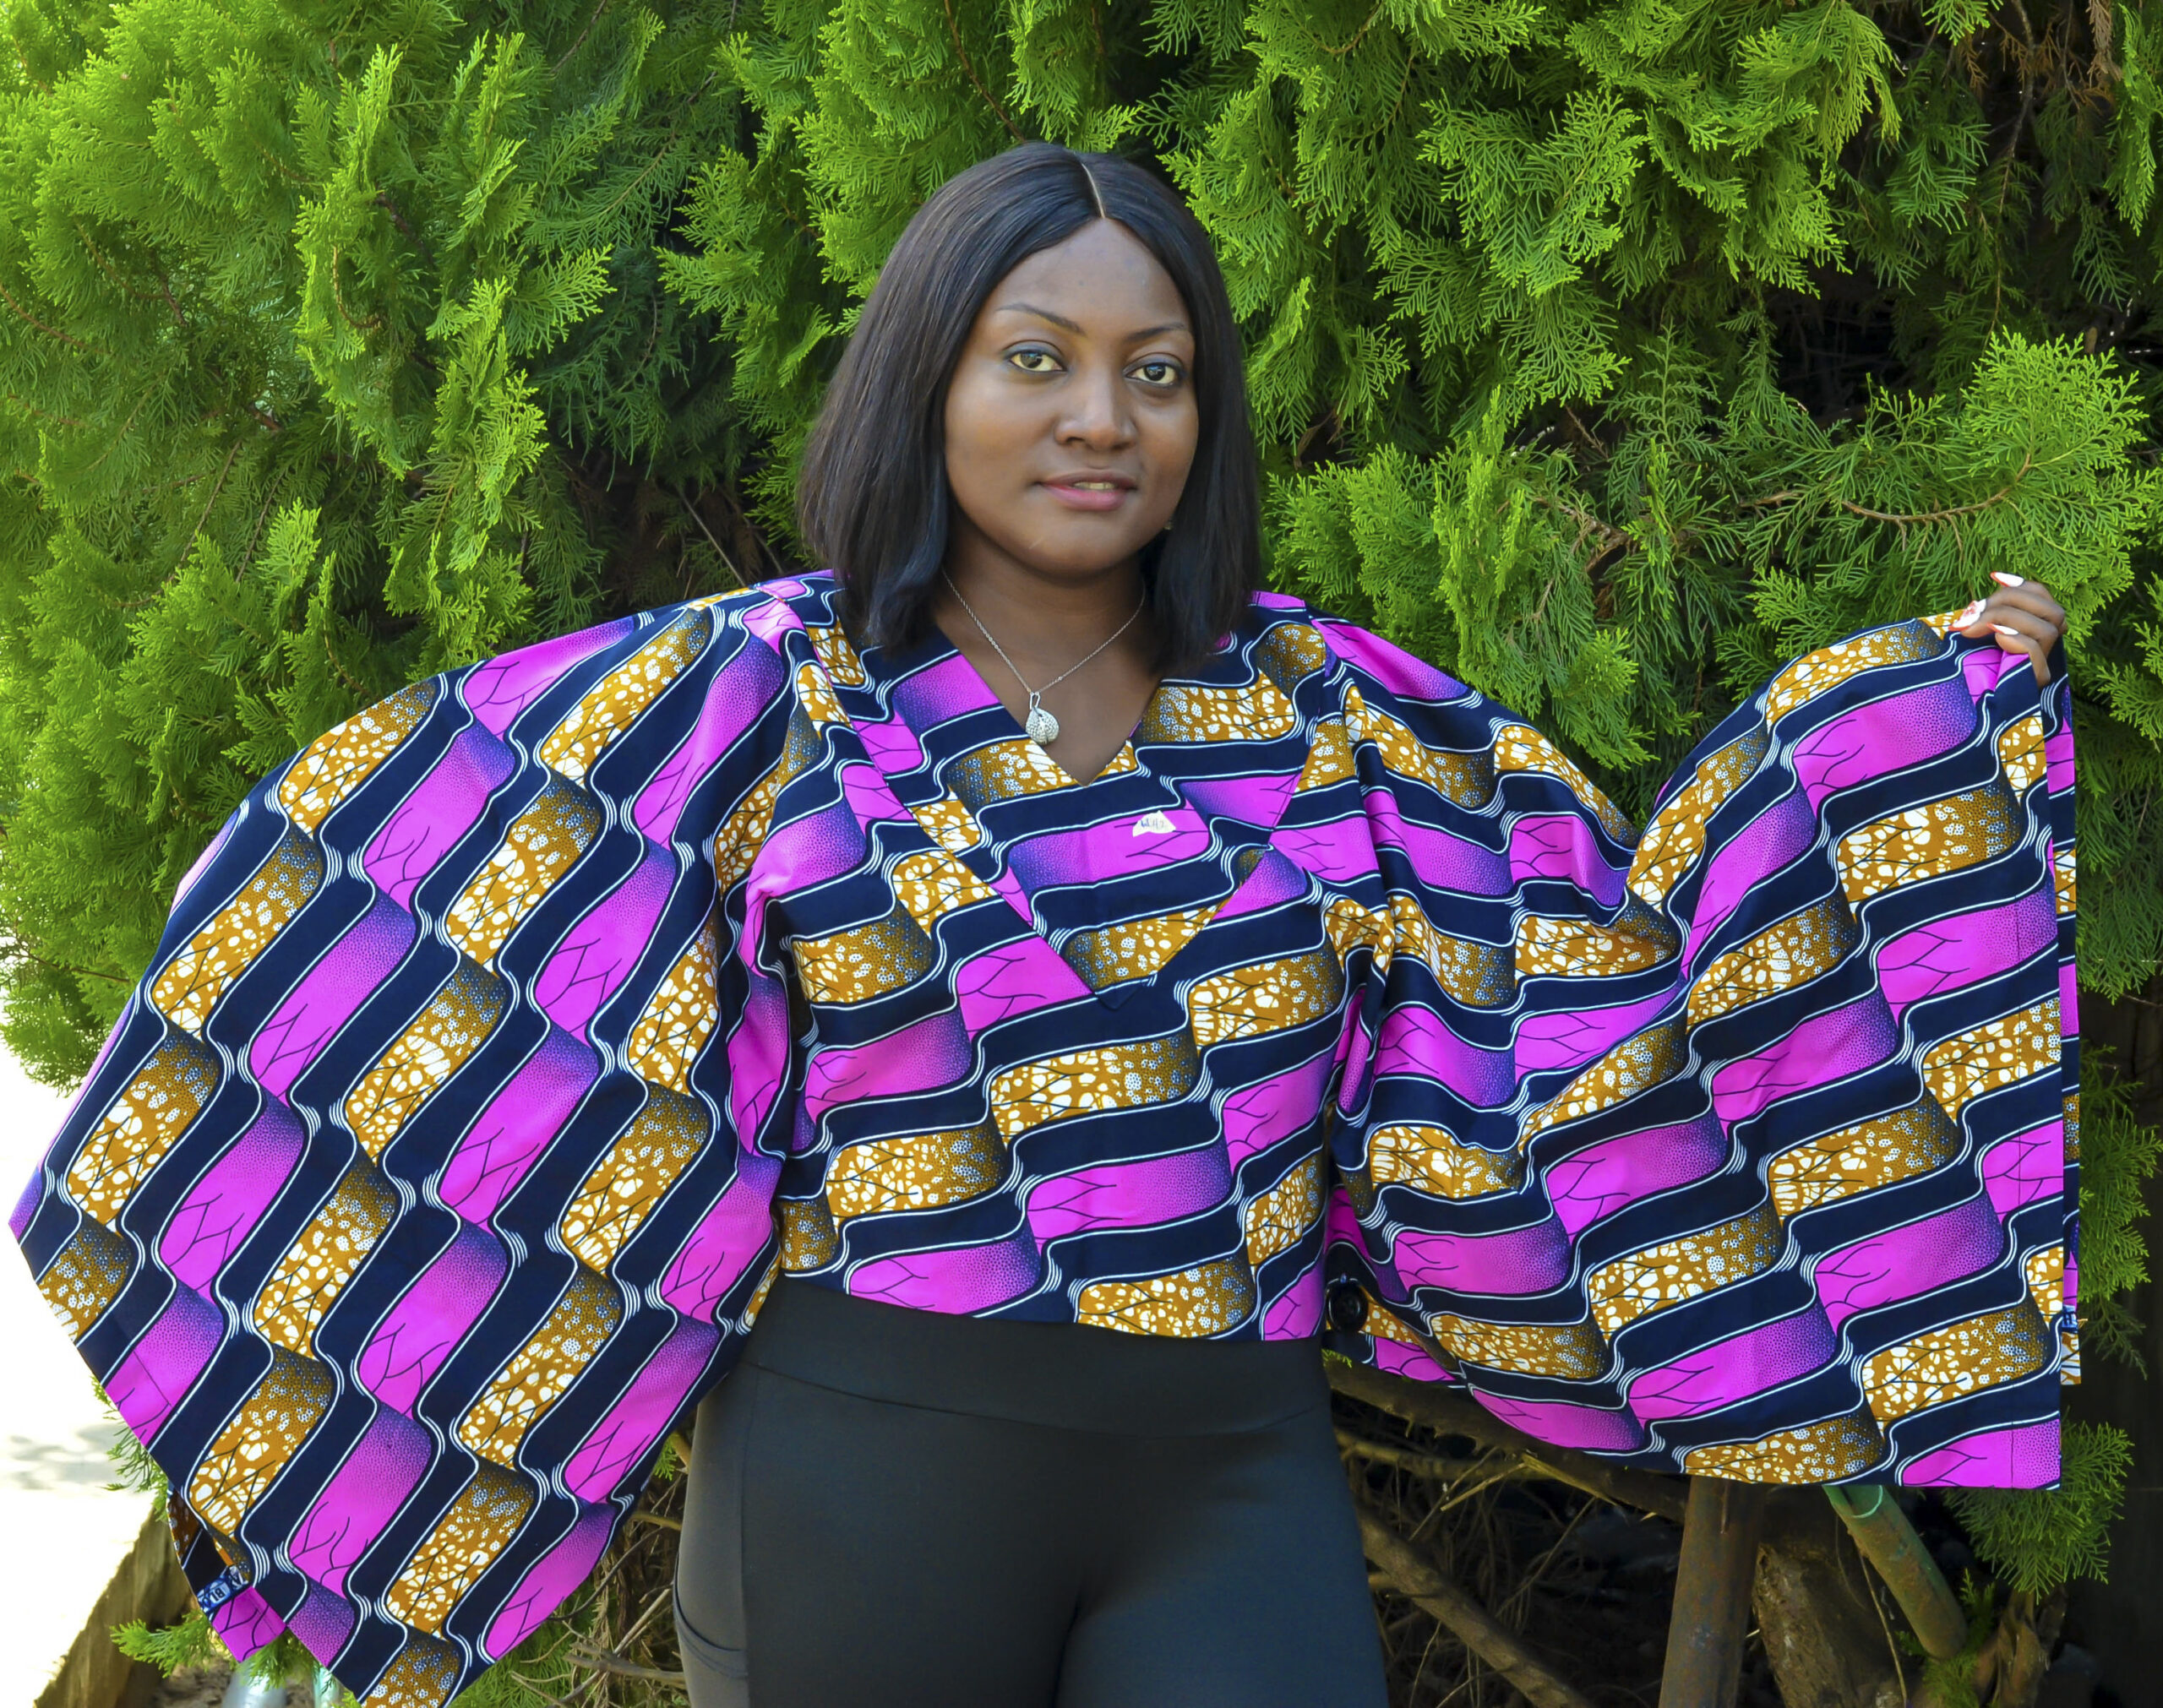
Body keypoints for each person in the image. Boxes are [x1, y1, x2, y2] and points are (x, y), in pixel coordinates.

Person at [9, 143, 2074, 1708]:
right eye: (1037, 359)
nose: (1102, 417)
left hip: (1230, 1482)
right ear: (925, 378)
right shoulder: (746, 702)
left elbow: (1609, 992)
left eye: (1154, 374)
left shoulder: (1337, 723)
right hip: (859, 1486)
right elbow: (405, 944)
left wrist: (1923, 736)